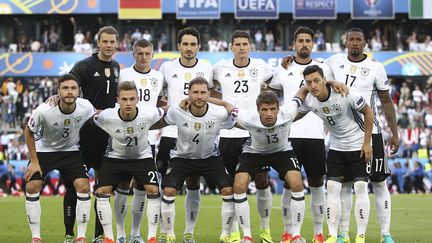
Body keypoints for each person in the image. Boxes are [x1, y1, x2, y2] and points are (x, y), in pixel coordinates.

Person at [325, 28, 399, 243]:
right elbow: (313, 70)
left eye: (359, 40)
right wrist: (291, 59)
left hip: (371, 133)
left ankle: (385, 233)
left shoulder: (376, 67)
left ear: (366, 43)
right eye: (351, 40)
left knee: (378, 182)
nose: (355, 43)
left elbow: (386, 101)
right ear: (345, 42)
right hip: (343, 134)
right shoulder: (333, 62)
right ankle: (343, 234)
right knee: (346, 185)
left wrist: (394, 133)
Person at [209, 90, 308, 243]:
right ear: (258, 109)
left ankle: (295, 235)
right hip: (254, 152)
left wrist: (327, 83)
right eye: (264, 109)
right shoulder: (248, 118)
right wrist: (201, 98)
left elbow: (301, 93)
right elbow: (226, 105)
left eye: (272, 109)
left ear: (278, 108)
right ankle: (247, 236)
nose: (269, 113)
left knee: (296, 183)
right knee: (239, 185)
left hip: (282, 152)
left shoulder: (288, 113)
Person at [268, 26, 334, 243]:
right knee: (289, 184)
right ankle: (289, 232)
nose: (304, 44)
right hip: (290, 135)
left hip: (315, 134)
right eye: (300, 41)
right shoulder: (282, 68)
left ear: (313, 44)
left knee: (317, 183)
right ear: (293, 45)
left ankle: (318, 233)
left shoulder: (325, 68)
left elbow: (332, 93)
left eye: (308, 40)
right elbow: (269, 92)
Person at [298, 65, 373, 243]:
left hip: (358, 145)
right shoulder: (310, 100)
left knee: (360, 188)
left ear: (324, 79)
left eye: (317, 80)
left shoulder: (346, 93)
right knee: (332, 189)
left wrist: (367, 143)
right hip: (337, 148)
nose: (313, 85)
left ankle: (360, 236)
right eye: (309, 82)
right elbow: (296, 115)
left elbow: (368, 112)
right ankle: (334, 235)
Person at [213, 29, 274, 243]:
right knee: (231, 184)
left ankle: (265, 231)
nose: (241, 48)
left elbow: (274, 82)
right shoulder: (220, 68)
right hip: (229, 133)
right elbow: (208, 89)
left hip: (255, 132)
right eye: (237, 44)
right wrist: (222, 105)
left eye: (244, 44)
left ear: (250, 46)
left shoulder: (261, 67)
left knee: (262, 180)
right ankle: (235, 233)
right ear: (231, 47)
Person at [160, 77, 235, 243]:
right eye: (195, 92)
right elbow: (160, 120)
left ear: (209, 94)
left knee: (228, 190)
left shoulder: (219, 114)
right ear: (188, 94)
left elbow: (237, 122)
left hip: (210, 158)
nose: (199, 96)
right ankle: (170, 235)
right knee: (169, 191)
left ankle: (224, 235)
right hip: (182, 158)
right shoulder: (177, 111)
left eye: (203, 92)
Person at [24, 74, 95, 243]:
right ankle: (36, 237)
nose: (69, 92)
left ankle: (81, 237)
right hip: (44, 151)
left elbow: (98, 116)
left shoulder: (86, 107)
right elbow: (28, 131)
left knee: (84, 187)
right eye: (65, 88)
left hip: (70, 151)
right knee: (32, 186)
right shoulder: (44, 110)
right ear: (58, 91)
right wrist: (34, 161)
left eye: (73, 88)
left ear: (79, 91)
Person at [157, 27, 213, 243]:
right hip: (171, 132)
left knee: (193, 182)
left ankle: (189, 232)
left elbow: (215, 94)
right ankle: (165, 232)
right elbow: (157, 97)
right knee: (166, 184)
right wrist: (172, 109)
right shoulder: (166, 67)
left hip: (199, 133)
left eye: (193, 44)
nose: (189, 48)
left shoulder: (208, 68)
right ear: (178, 46)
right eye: (185, 44)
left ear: (199, 46)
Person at [66, 25, 120, 243]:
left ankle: (99, 235)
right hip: (85, 133)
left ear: (117, 44)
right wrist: (55, 97)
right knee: (76, 184)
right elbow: (67, 85)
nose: (108, 45)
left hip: (107, 134)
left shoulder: (116, 66)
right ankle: (70, 234)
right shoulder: (85, 65)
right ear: (98, 43)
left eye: (112, 42)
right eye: (105, 41)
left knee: (103, 188)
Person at [93, 81, 165, 243]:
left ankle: (152, 237)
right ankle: (111, 237)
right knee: (102, 191)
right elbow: (91, 116)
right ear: (117, 99)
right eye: (124, 99)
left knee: (153, 189)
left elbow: (166, 112)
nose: (128, 103)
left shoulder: (148, 113)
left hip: (142, 157)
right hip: (115, 158)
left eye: (132, 99)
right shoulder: (107, 115)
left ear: (138, 99)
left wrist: (183, 105)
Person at [115, 39, 165, 243]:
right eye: (140, 53)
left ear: (152, 54)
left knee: (142, 187)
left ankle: (135, 233)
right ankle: (120, 235)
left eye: (147, 53)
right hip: (123, 137)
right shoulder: (124, 74)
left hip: (148, 139)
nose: (144, 57)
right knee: (123, 184)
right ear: (133, 54)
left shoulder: (158, 76)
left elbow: (159, 101)